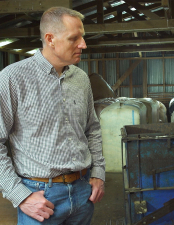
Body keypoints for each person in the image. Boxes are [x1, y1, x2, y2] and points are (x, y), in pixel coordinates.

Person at [0, 6, 105, 225]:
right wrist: (20, 195)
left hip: (82, 193)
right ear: (50, 39)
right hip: (40, 198)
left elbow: (92, 129)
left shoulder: (81, 78)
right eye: (73, 38)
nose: (83, 45)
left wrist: (98, 172)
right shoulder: (12, 78)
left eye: (82, 38)